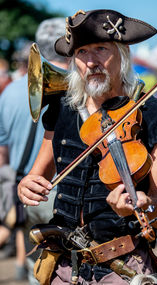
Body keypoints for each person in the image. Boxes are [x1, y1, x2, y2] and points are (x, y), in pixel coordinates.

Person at [18, 9, 157, 285]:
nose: (91, 61)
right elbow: (36, 176)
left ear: (122, 54)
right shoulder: (62, 109)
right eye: (82, 52)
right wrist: (26, 185)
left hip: (122, 268)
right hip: (63, 266)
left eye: (100, 49)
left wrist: (140, 208)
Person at [0, 17, 70, 283]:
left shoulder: (8, 92)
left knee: (37, 267)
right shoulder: (81, 89)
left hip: (25, 185)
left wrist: (9, 182)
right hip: (61, 189)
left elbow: (2, 148)